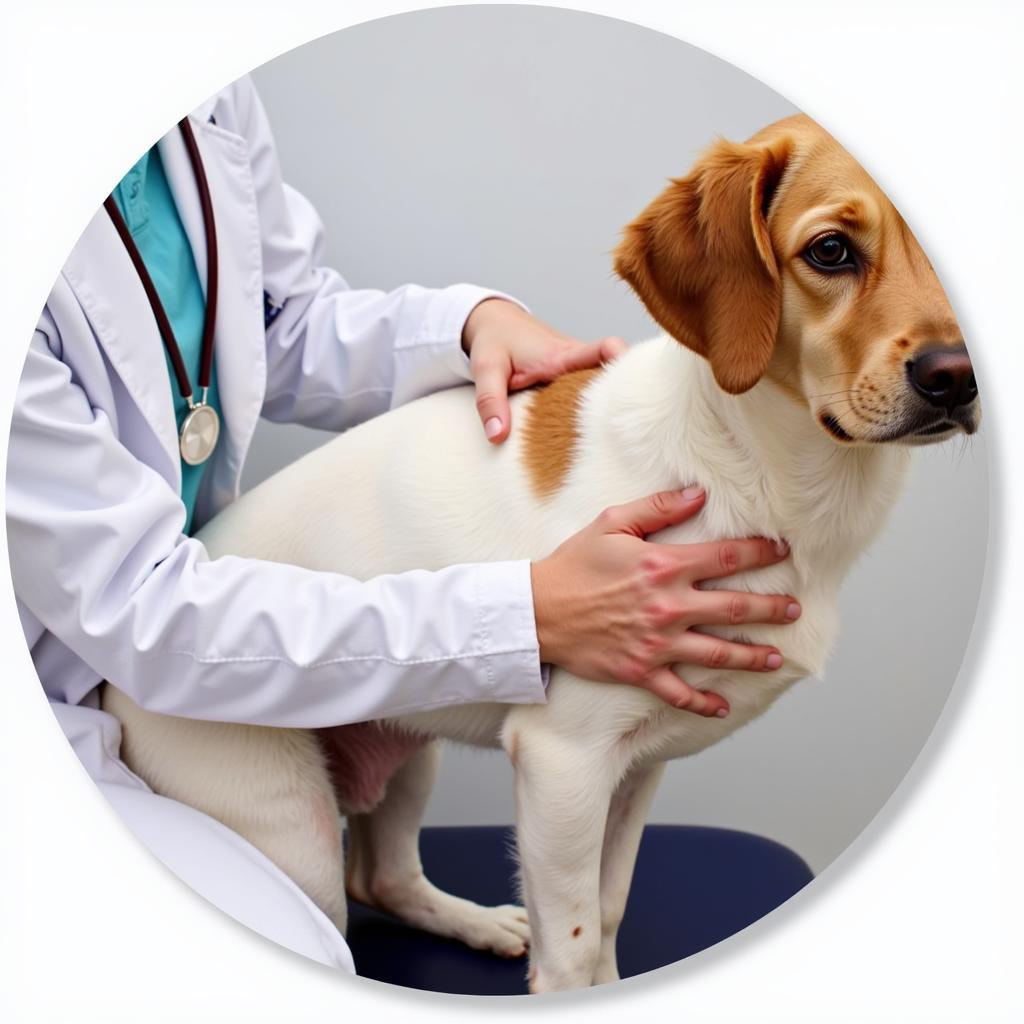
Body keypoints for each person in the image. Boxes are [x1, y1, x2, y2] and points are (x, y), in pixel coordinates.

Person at [4, 75, 799, 971]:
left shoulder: (208, 98)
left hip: (205, 610)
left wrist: (468, 324)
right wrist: (527, 614)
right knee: (298, 957)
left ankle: (391, 877)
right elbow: (140, 612)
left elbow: (279, 315)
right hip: (91, 680)